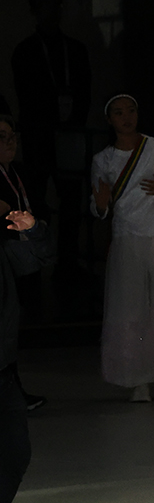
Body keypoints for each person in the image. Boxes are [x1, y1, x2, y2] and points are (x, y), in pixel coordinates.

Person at [90, 95, 154, 402]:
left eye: (131, 110)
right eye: (119, 113)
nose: (127, 117)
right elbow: (99, 206)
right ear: (109, 120)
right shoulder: (104, 159)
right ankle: (138, 379)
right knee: (131, 309)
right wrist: (100, 206)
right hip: (128, 237)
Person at [10, 0, 91, 270]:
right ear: (34, 11)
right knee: (37, 200)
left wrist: (72, 124)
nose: (50, 12)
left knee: (71, 200)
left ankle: (68, 262)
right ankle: (39, 259)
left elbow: (84, 96)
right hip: (38, 136)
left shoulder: (75, 51)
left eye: (53, 6)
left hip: (69, 135)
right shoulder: (25, 52)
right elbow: (26, 97)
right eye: (43, 6)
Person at [0, 207, 53, 503]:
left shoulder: (3, 253)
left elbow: (40, 255)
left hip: (2, 371)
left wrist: (34, 229)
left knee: (15, 451)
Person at [0, 115, 47, 411]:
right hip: (4, 259)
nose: (9, 142)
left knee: (9, 330)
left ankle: (12, 394)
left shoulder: (18, 171)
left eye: (12, 136)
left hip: (18, 259)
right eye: (1, 137)